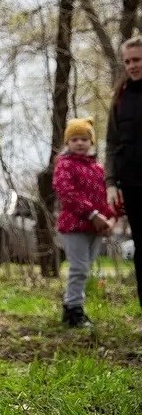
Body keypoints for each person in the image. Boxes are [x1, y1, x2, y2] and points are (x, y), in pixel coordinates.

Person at [54, 117, 117, 328]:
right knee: (79, 268)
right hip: (74, 227)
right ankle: (73, 309)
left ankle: (73, 307)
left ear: (91, 142)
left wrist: (109, 218)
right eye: (74, 139)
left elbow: (103, 198)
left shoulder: (98, 169)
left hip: (95, 228)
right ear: (67, 143)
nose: (79, 143)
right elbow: (67, 193)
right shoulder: (65, 165)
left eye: (84, 139)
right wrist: (92, 214)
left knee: (85, 268)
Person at [106, 35, 142, 311]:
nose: (132, 66)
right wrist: (110, 183)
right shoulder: (120, 97)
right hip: (131, 185)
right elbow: (111, 143)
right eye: (127, 61)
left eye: (137, 60)